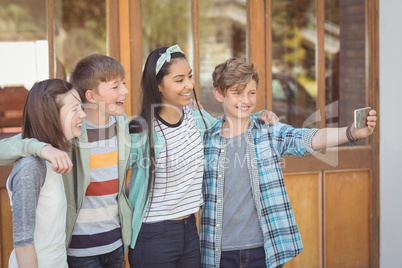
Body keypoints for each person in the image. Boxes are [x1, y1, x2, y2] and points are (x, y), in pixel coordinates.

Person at [200, 58, 377, 268]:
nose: (245, 100)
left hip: (264, 250)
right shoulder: (206, 140)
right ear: (219, 94)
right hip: (218, 252)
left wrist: (352, 132)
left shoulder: (269, 131)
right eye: (237, 93)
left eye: (251, 92)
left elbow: (309, 138)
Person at [127, 45, 278, 268]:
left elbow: (228, 126)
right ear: (158, 85)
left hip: (190, 230)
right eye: (179, 80)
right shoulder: (141, 130)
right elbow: (112, 172)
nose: (189, 85)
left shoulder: (196, 117)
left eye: (190, 76)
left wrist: (259, 116)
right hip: (153, 234)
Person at [0, 54, 133, 268]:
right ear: (91, 95)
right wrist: (41, 148)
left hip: (115, 243)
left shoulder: (124, 127)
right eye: (116, 86)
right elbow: (6, 148)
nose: (125, 91)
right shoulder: (70, 133)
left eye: (124, 84)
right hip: (78, 248)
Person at [6, 79, 86, 267]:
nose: (83, 114)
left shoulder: (54, 156)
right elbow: (23, 244)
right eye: (74, 109)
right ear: (50, 116)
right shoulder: (31, 166)